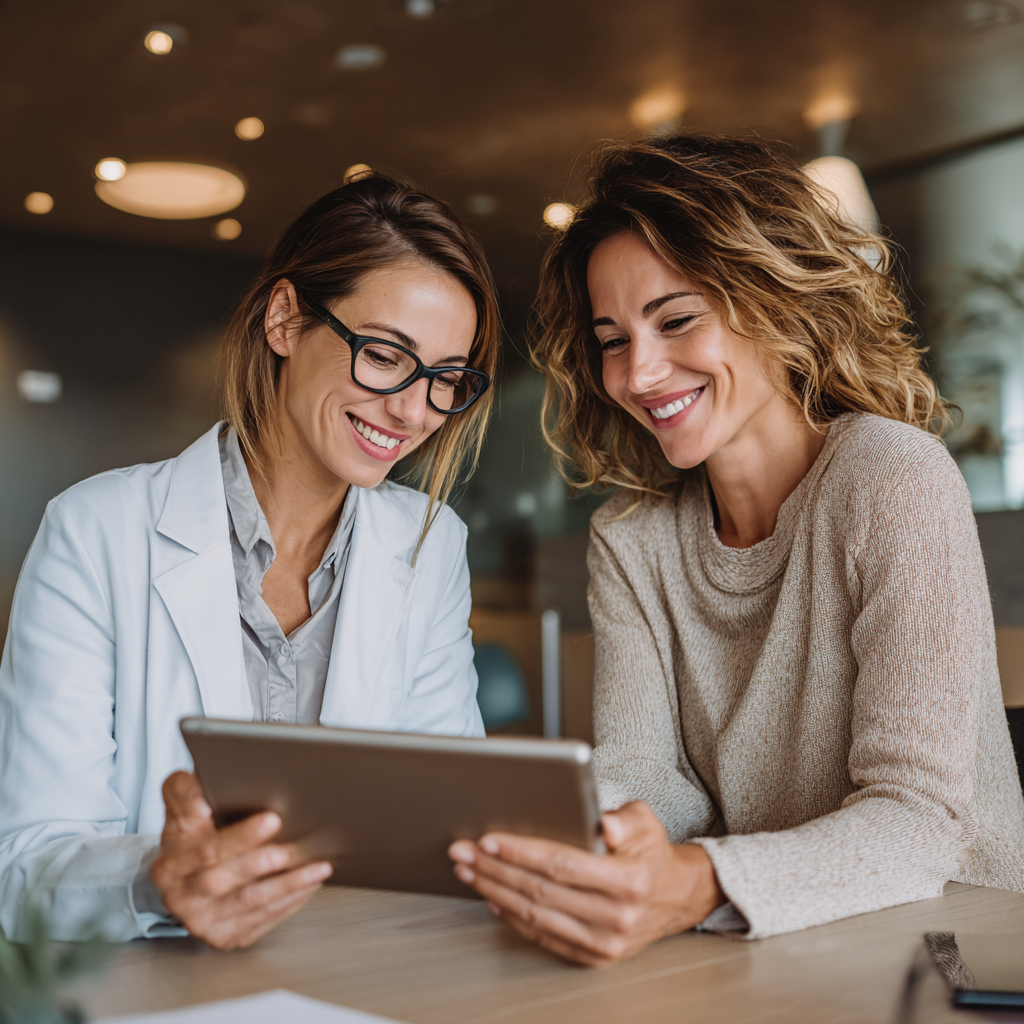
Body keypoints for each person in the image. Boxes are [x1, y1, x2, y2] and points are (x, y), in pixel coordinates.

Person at [448, 133, 1024, 965]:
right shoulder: (630, 538)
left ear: (776, 303)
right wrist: (590, 838)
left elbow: (921, 820)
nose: (639, 374)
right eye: (613, 339)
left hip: (951, 951)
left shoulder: (893, 477)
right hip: (763, 949)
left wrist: (696, 882)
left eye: (675, 320)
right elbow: (652, 775)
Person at [0, 173, 500, 947]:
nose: (412, 409)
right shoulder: (93, 530)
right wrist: (156, 878)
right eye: (384, 355)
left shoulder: (431, 545)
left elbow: (446, 828)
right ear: (285, 320)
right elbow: (23, 866)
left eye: (445, 381)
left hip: (360, 974)